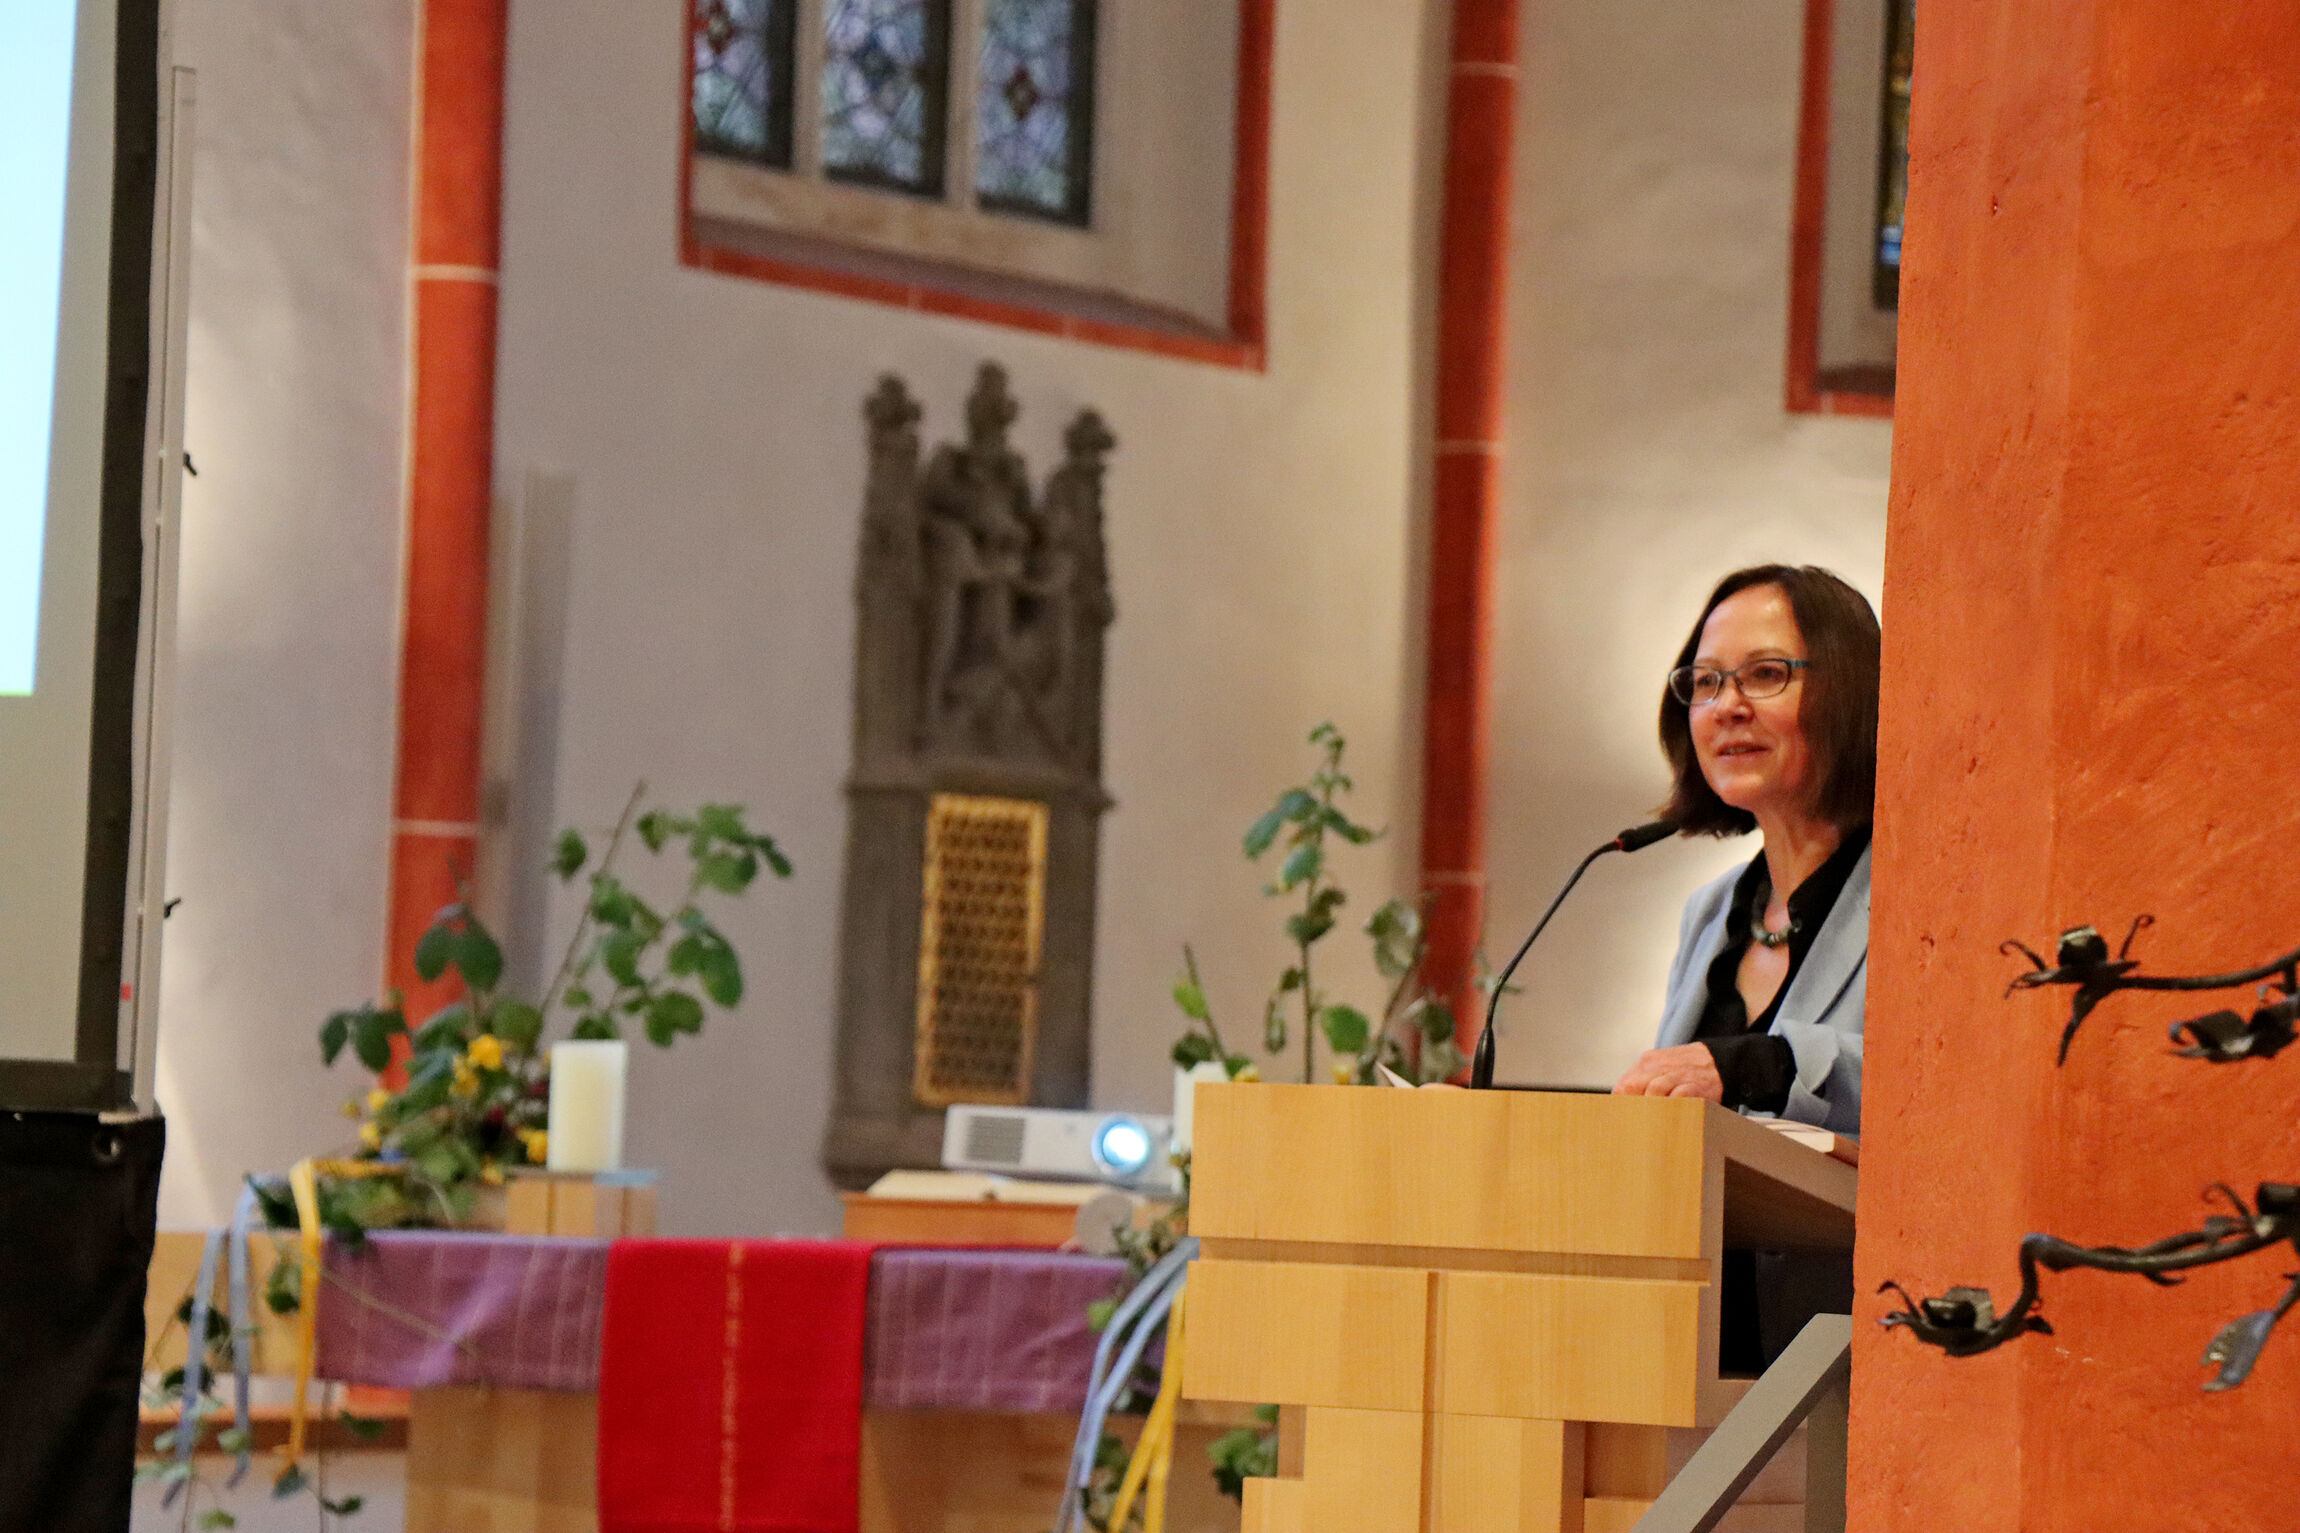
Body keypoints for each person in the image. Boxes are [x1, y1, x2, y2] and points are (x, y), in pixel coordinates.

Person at [1613, 563, 1878, 1369]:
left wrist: (1759, 1063)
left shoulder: (1928, 891)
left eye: (1766, 675)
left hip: (1846, 1341)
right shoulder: (1713, 913)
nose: (1727, 706)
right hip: (1691, 1344)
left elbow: (1946, 1098)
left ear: (1853, 692)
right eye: (1704, 682)